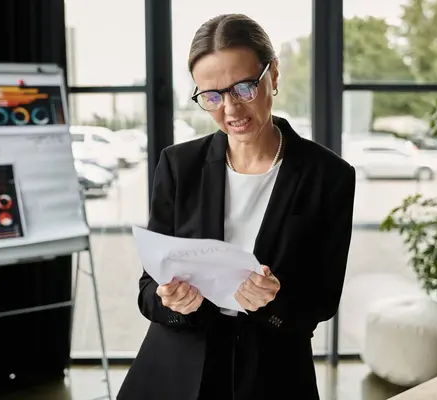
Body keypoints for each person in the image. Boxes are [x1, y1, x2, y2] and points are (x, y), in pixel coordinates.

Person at [117, 13, 356, 400]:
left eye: (244, 87)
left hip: (274, 374)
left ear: (273, 75)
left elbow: (323, 300)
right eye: (211, 96)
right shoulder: (179, 166)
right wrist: (170, 302)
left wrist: (271, 301)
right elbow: (148, 289)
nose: (230, 109)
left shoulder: (329, 176)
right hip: (176, 369)